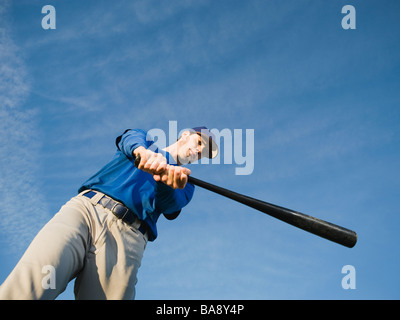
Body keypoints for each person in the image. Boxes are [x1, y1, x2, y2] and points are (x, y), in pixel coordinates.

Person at [0, 126, 218, 300]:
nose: (199, 151)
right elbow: (129, 139)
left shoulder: (186, 183)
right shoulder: (145, 141)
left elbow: (171, 204)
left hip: (128, 239)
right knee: (33, 282)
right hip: (85, 210)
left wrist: (163, 180)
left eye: (205, 153)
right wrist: (143, 153)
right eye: (199, 143)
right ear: (186, 135)